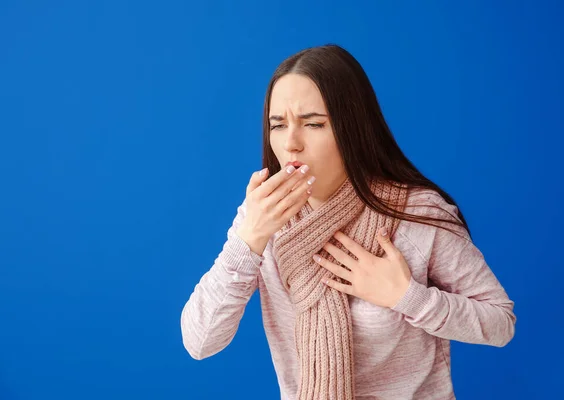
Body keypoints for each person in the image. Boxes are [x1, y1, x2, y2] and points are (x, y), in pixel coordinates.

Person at [180, 44, 516, 400]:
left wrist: (407, 298)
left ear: (352, 128)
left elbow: (500, 323)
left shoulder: (414, 216)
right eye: (278, 125)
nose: (291, 143)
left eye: (313, 124)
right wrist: (248, 240)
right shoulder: (262, 218)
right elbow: (199, 341)